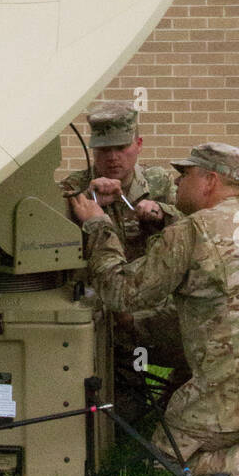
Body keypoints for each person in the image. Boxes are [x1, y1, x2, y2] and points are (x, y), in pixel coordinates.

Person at [70, 142, 239, 476]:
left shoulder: (194, 231)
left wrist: (99, 227)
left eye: (185, 174)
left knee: (168, 461)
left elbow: (121, 292)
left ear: (209, 180)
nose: (176, 181)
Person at [60, 101, 191, 418]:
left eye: (121, 147)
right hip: (101, 321)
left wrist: (159, 214)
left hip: (151, 316)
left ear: (139, 145)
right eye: (103, 150)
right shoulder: (72, 190)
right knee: (125, 415)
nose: (113, 158)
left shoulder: (160, 184)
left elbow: (193, 232)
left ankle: (175, 397)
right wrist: (89, 204)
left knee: (204, 350)